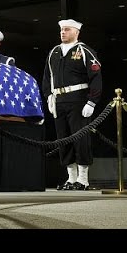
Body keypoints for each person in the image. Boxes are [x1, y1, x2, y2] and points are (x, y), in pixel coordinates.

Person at [42, 19, 102, 190]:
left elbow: (96, 77)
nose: (63, 32)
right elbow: (47, 77)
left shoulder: (84, 51)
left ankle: (83, 179)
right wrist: (49, 97)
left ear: (76, 32)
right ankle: (71, 178)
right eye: (61, 29)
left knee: (80, 139)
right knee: (64, 139)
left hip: (79, 100)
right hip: (59, 100)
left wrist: (92, 101)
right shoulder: (54, 52)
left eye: (67, 30)